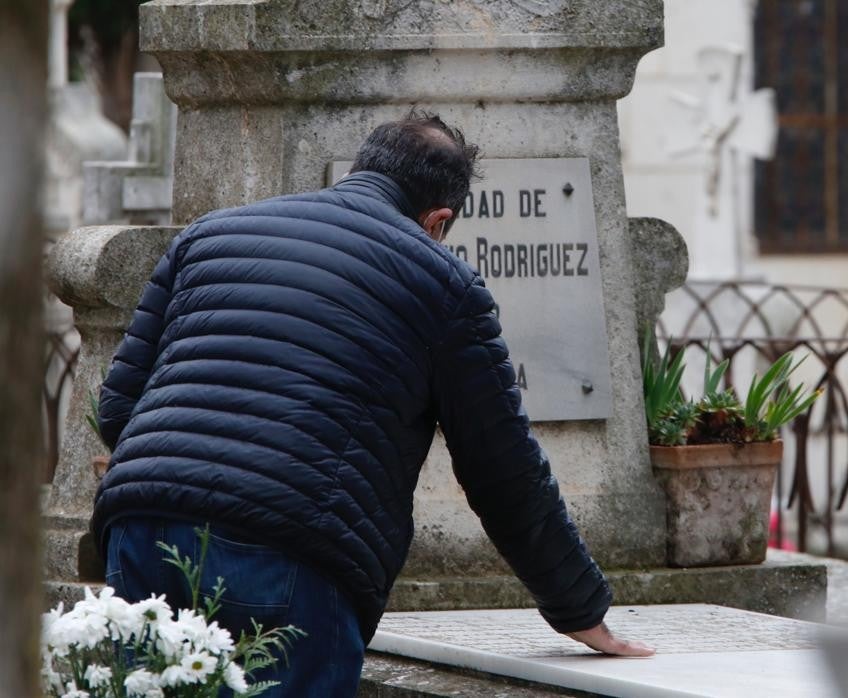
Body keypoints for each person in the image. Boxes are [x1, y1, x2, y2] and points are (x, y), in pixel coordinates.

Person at [91, 110, 653, 696]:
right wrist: (580, 610)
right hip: (290, 550)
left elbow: (119, 408)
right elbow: (504, 471)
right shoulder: (446, 286)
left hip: (142, 526)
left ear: (360, 171)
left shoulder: (209, 233)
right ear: (440, 220)